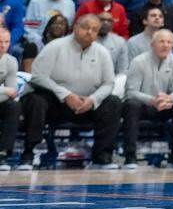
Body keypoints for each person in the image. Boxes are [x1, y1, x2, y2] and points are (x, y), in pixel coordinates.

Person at [22, 14, 121, 169]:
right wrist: (65, 94)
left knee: (113, 102)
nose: (89, 32)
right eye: (85, 27)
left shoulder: (102, 52)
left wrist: (93, 100)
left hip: (85, 104)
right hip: (55, 103)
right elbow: (37, 76)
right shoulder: (55, 46)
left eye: (94, 30)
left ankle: (102, 157)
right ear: (75, 27)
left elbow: (109, 83)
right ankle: (29, 154)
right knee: (36, 100)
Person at [123, 29, 173, 167]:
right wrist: (152, 100)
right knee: (131, 104)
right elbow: (131, 92)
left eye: (169, 42)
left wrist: (168, 98)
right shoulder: (138, 61)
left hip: (165, 105)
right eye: (162, 41)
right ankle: (130, 156)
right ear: (152, 44)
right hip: (144, 106)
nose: (165, 45)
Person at [0, 28, 20, 166]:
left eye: (6, 42)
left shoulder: (11, 61)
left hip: (2, 101)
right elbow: (7, 90)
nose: (3, 46)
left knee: (13, 106)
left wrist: (5, 91)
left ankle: (4, 152)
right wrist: (3, 90)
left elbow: (12, 92)